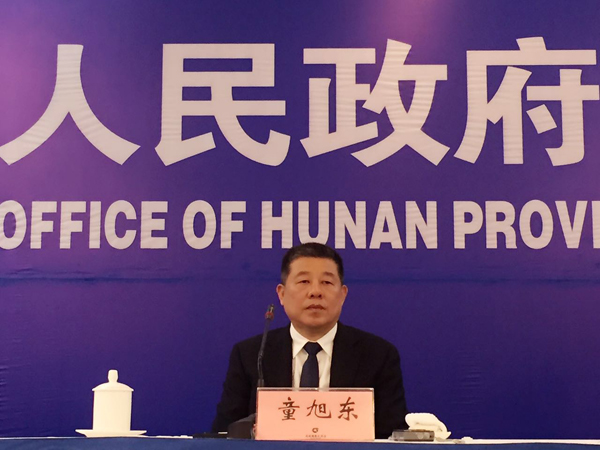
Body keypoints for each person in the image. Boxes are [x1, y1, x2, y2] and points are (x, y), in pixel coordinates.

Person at [212, 243, 409, 438]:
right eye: (304, 281)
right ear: (281, 294)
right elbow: (225, 432)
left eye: (327, 282)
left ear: (342, 295)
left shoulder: (378, 355)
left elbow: (392, 436)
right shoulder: (251, 354)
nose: (315, 292)